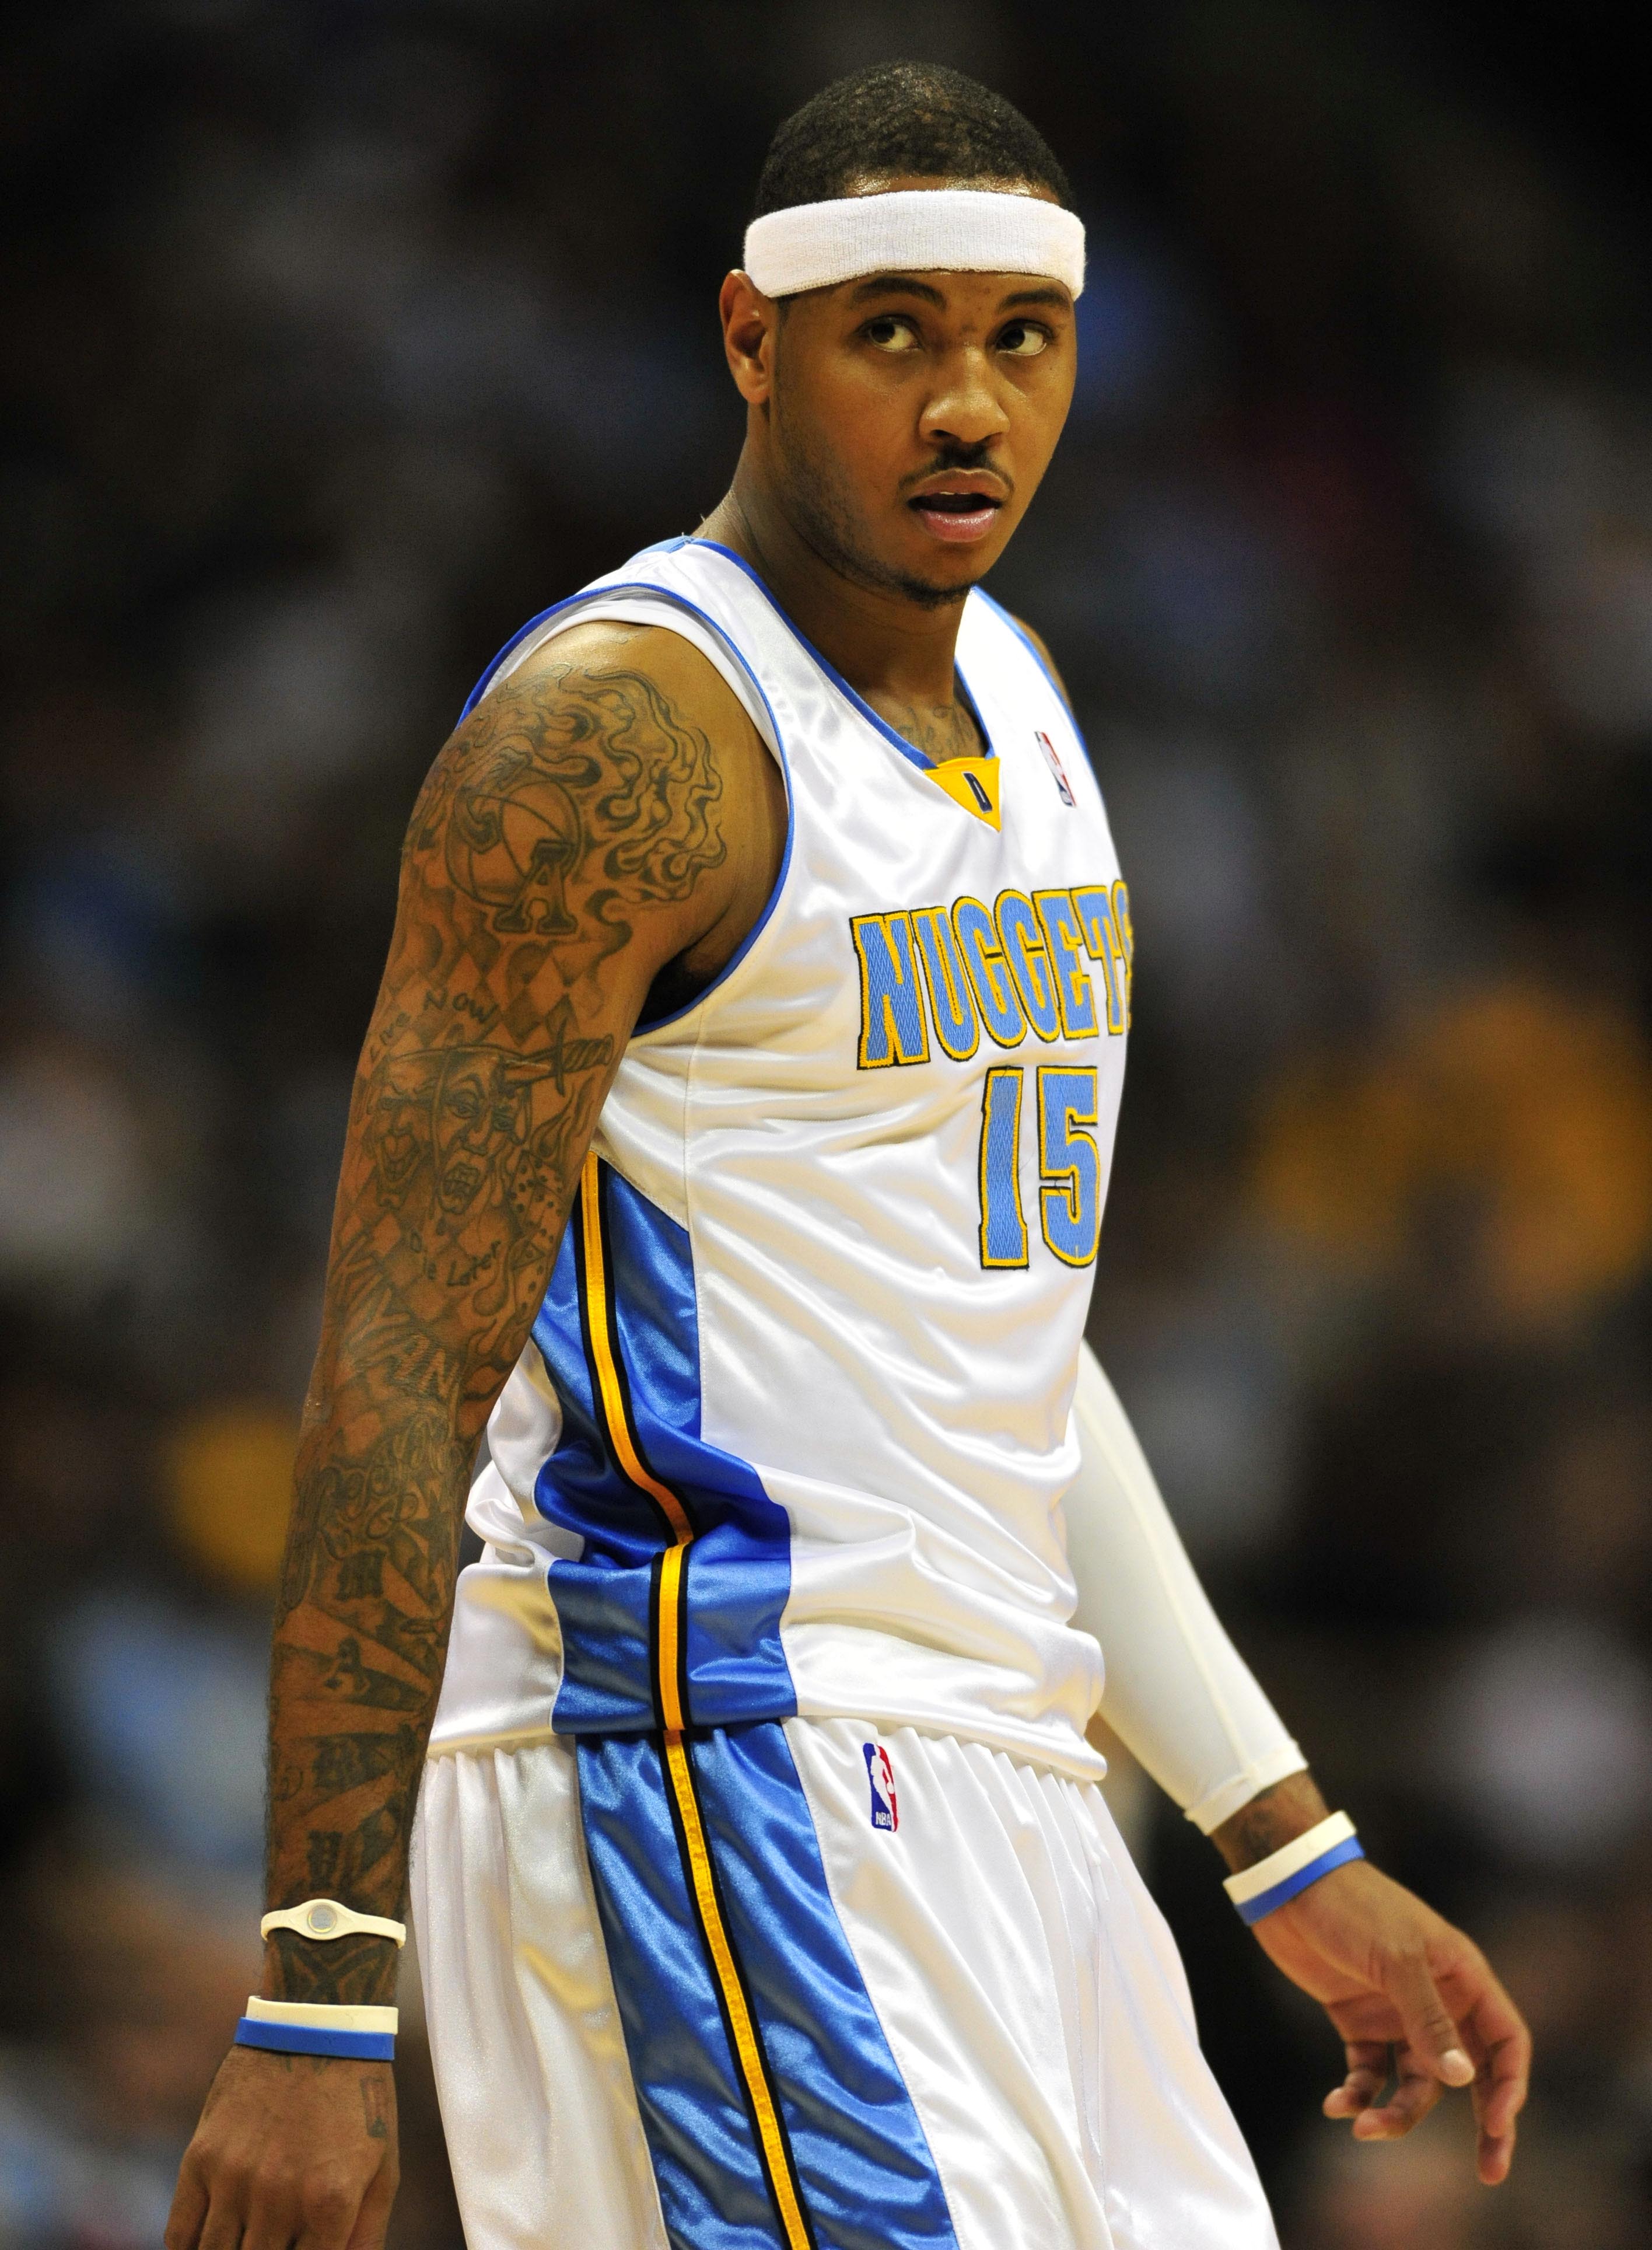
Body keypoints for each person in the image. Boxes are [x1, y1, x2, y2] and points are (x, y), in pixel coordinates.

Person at [163, 60, 1530, 2250]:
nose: (969, 403)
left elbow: (999, 1333)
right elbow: (395, 1367)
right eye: (894, 330)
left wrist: (1276, 1830)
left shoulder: (1039, 707)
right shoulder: (624, 732)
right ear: (750, 339)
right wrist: (323, 1990)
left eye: (1022, 337)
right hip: (707, 1752)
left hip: (1013, 1777)